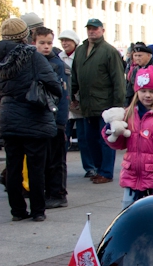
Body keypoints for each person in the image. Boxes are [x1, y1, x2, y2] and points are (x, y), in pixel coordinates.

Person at [0, 18, 62, 221]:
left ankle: (17, 211)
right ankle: (38, 211)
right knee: (35, 167)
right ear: (24, 35)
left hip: (7, 116)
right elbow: (53, 84)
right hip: (33, 117)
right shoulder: (32, 56)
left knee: (13, 166)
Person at [103, 67, 153, 209]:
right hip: (132, 177)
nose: (147, 95)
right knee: (128, 213)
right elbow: (120, 144)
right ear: (136, 91)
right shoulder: (129, 114)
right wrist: (111, 132)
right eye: (143, 91)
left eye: (152, 91)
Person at [70, 18, 126, 184]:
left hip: (105, 105)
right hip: (87, 104)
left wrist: (118, 105)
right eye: (89, 29)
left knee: (106, 139)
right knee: (90, 139)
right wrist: (71, 95)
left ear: (102, 30)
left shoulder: (109, 51)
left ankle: (106, 172)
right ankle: (98, 168)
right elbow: (75, 75)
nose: (92, 31)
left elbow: (118, 80)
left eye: (95, 29)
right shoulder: (80, 50)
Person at [33, 27, 70, 209]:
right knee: (45, 160)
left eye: (49, 43)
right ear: (34, 43)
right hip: (40, 119)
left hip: (55, 119)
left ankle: (58, 193)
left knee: (56, 160)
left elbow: (63, 95)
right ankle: (49, 191)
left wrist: (60, 122)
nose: (46, 46)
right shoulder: (34, 62)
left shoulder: (57, 65)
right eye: (42, 43)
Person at [58, 29, 82, 152]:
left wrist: (75, 97)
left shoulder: (80, 56)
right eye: (62, 41)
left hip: (79, 99)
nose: (64, 43)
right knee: (64, 133)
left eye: (67, 40)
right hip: (64, 98)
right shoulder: (59, 57)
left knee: (83, 135)